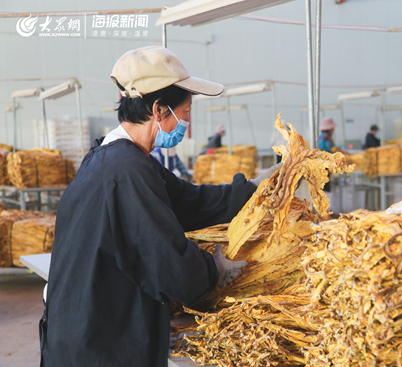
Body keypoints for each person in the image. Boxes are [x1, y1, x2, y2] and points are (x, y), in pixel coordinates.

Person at [39, 46, 281, 367]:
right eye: (186, 110)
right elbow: (170, 266)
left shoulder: (114, 158)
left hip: (79, 332)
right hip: (100, 345)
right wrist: (215, 270)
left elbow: (188, 201)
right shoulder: (127, 171)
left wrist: (250, 188)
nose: (187, 120)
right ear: (159, 109)